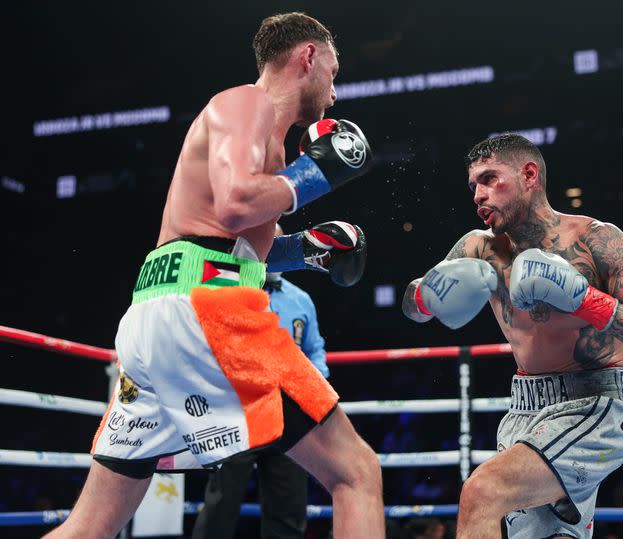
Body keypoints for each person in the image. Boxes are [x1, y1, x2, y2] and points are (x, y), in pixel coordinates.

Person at [47, 12, 384, 539]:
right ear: (308, 57)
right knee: (358, 474)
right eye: (334, 74)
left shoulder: (264, 145)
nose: (335, 94)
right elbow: (234, 205)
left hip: (159, 313)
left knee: (88, 526)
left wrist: (308, 251)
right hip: (209, 313)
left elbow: (234, 243)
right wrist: (321, 172)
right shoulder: (245, 103)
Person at [402, 134, 623, 538]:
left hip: (595, 407)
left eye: (489, 179)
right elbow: (410, 306)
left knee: (483, 491)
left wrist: (584, 299)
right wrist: (427, 296)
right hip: (523, 411)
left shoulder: (596, 239)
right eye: (473, 186)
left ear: (529, 175)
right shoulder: (478, 249)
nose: (478, 195)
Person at [192, 224, 332, 539]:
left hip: (289, 410)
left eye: (274, 242)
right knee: (220, 504)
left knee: (288, 509)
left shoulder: (301, 300)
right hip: (237, 407)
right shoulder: (222, 282)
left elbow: (315, 350)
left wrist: (313, 393)